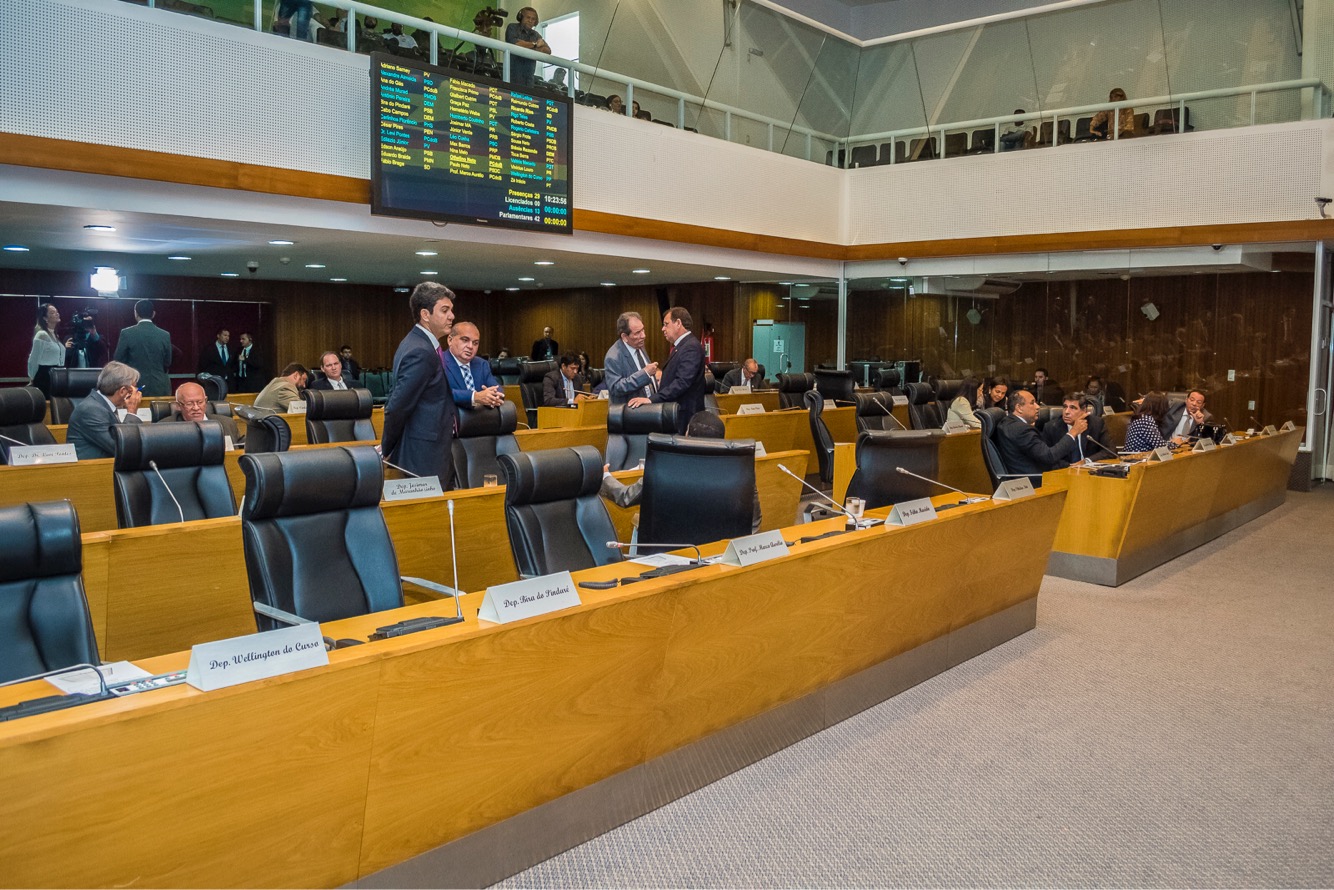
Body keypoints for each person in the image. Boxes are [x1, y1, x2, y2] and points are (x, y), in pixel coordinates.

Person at [600, 411, 762, 533]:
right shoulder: (740, 470)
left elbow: (626, 497)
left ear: (687, 436)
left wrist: (605, 477)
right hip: (718, 552)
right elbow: (754, 522)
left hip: (667, 552)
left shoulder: (665, 467)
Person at [381, 281, 458, 485]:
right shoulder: (421, 351)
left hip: (429, 451)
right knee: (430, 514)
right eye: (445, 310)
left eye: (451, 310)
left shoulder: (417, 343)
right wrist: (386, 448)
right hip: (422, 456)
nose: (452, 316)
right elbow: (398, 406)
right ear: (425, 315)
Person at [628, 306, 708, 434]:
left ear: (678, 323)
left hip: (683, 415)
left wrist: (652, 399)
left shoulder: (690, 347)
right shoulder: (681, 346)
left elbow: (682, 382)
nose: (663, 329)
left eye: (666, 324)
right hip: (675, 412)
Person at [996, 389, 1085, 480]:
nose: (1038, 407)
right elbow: (1049, 456)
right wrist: (1073, 432)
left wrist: (1070, 465)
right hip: (1034, 482)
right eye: (1032, 403)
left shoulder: (1008, 423)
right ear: (1019, 408)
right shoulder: (1022, 430)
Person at [67, 361, 143, 460]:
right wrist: (132, 411)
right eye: (134, 390)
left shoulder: (102, 404)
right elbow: (121, 447)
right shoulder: (91, 410)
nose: (137, 394)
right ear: (122, 391)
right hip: (91, 471)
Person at [113, 299, 173, 396]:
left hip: (134, 386)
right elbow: (167, 362)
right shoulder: (165, 335)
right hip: (160, 386)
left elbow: (118, 361)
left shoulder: (127, 333)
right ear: (153, 314)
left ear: (135, 313)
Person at [159, 381, 241, 445]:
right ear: (178, 406)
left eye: (200, 402)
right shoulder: (164, 429)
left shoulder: (227, 423)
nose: (196, 408)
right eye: (189, 404)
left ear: (205, 400)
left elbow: (240, 449)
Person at [444, 321, 505, 408]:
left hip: (480, 417)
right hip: (452, 418)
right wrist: (474, 396)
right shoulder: (439, 362)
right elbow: (441, 394)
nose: (470, 346)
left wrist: (495, 397)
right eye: (465, 340)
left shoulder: (481, 364)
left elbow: (496, 389)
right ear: (450, 340)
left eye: (475, 343)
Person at [603, 311, 659, 404]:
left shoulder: (639, 345)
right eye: (637, 333)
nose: (643, 336)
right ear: (624, 336)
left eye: (643, 330)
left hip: (649, 408)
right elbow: (616, 388)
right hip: (630, 413)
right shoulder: (613, 357)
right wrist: (645, 374)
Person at [1042, 395, 1112, 463]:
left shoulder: (1096, 424)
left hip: (1088, 470)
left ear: (1084, 410)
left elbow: (1109, 450)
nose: (1066, 412)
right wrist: (1070, 467)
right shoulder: (1051, 427)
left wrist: (1086, 461)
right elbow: (1047, 457)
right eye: (1065, 407)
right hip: (1064, 471)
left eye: (1073, 408)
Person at [27, 303, 71, 396]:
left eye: (57, 311)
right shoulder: (42, 335)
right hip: (45, 376)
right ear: (45, 318)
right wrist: (32, 377)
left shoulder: (56, 335)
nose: (57, 314)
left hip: (58, 374)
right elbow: (33, 359)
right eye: (52, 312)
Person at [505, 7, 550, 88]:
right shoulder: (512, 27)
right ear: (521, 17)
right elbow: (516, 44)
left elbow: (547, 51)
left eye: (533, 19)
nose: (530, 21)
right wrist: (535, 44)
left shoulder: (535, 34)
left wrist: (527, 45)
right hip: (512, 76)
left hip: (529, 79)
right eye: (528, 17)